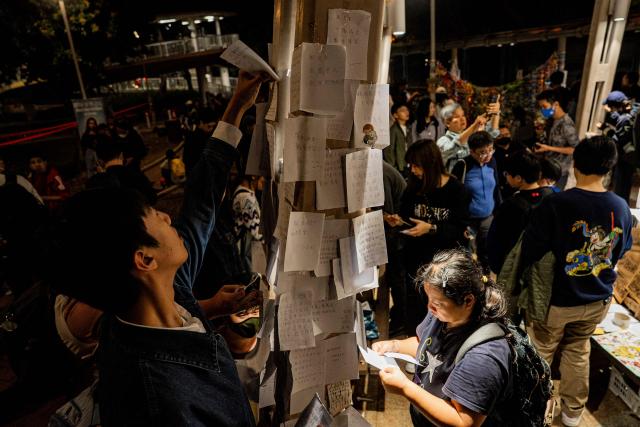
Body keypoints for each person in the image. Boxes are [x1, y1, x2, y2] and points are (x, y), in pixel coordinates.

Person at [50, 70, 267, 426]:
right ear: (145, 259)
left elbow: (201, 202)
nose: (168, 218)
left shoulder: (163, 296)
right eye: (153, 215)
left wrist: (238, 105)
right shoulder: (160, 401)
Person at [521, 136, 633, 427]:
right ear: (609, 167)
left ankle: (531, 411)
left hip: (557, 300)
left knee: (540, 353)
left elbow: (531, 249)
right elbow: (621, 249)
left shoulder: (558, 203)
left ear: (576, 164)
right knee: (578, 349)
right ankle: (572, 415)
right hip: (598, 299)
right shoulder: (620, 206)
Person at [372, 249, 516, 426]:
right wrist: (394, 346)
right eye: (429, 299)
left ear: (468, 301)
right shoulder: (443, 314)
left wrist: (405, 388)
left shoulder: (484, 357)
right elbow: (425, 343)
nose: (430, 307)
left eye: (437, 303)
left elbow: (462, 421)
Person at [386, 140, 469, 347]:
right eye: (411, 166)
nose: (413, 171)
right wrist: (399, 221)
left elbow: (458, 229)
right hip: (415, 263)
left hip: (443, 264)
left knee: (442, 311)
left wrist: (430, 228)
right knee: (414, 310)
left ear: (430, 163)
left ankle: (440, 351)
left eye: (416, 166)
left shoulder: (456, 190)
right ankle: (417, 351)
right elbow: (407, 217)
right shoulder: (413, 188)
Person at [487, 152, 553, 275]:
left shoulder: (510, 205)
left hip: (514, 267)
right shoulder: (550, 196)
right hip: (542, 268)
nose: (506, 177)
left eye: (507, 174)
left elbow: (495, 240)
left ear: (518, 178)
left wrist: (497, 267)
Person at [451, 131, 501, 272]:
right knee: (467, 255)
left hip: (488, 217)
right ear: (472, 151)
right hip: (469, 220)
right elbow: (455, 195)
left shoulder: (492, 162)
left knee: (486, 253)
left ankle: (486, 282)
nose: (488, 155)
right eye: (482, 152)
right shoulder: (463, 165)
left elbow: (496, 188)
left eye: (491, 150)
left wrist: (498, 211)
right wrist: (461, 222)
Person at [87, 136, 157, 205]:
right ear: (121, 155)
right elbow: (152, 199)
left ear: (100, 161)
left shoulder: (98, 183)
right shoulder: (136, 174)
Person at [382, 160, 408, 336]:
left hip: (398, 233)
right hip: (396, 232)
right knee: (395, 278)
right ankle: (399, 317)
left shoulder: (380, 173)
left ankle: (401, 320)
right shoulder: (381, 168)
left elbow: (389, 214)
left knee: (397, 279)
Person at [535, 89, 579, 189]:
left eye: (544, 106)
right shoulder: (551, 121)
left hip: (559, 173)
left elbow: (575, 149)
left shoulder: (566, 124)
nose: (542, 110)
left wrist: (549, 148)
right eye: (541, 107)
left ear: (556, 104)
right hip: (547, 169)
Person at [437, 101, 500, 171]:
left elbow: (493, 133)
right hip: (458, 181)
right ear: (447, 123)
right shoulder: (443, 141)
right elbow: (455, 145)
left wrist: (496, 113)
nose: (462, 119)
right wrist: (474, 125)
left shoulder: (472, 135)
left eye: (463, 115)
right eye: (457, 117)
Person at [600, 90, 636, 203]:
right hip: (629, 157)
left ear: (614, 106)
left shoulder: (624, 119)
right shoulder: (630, 114)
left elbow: (619, 139)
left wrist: (604, 129)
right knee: (623, 184)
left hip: (625, 158)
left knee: (621, 185)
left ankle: (618, 207)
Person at [232, 175, 264, 271]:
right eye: (262, 175)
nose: (264, 179)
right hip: (248, 250)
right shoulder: (245, 197)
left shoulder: (243, 194)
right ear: (253, 176)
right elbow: (256, 230)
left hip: (247, 248)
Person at [493, 125, 526, 199]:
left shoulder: (518, 145)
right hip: (502, 188)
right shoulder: (492, 152)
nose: (504, 137)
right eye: (500, 135)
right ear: (495, 137)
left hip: (521, 184)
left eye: (506, 134)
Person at [384, 102, 413, 174]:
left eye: (407, 110)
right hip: (399, 167)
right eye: (402, 110)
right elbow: (389, 151)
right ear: (395, 115)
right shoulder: (393, 130)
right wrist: (393, 168)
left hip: (409, 165)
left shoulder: (409, 128)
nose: (406, 112)